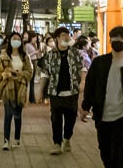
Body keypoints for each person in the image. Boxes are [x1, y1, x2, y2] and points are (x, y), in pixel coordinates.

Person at [80, 26, 123, 168]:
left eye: (122, 38)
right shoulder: (99, 63)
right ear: (110, 40)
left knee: (117, 153)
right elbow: (90, 86)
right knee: (104, 152)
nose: (119, 40)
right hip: (102, 115)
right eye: (115, 37)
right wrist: (85, 107)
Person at [43, 26, 86, 154]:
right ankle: (57, 143)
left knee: (71, 118)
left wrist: (82, 81)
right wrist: (39, 89)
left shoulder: (75, 53)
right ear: (57, 38)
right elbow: (45, 73)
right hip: (55, 92)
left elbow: (82, 68)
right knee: (55, 119)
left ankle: (67, 138)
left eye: (67, 35)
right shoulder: (50, 55)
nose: (66, 37)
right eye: (63, 35)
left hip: (72, 92)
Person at [0, 31, 33, 151]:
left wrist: (18, 73)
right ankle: (6, 141)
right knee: (8, 114)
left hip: (21, 88)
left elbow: (29, 73)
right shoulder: (3, 56)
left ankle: (17, 139)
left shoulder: (25, 57)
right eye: (14, 38)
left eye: (18, 39)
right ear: (9, 40)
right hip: (8, 87)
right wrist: (5, 74)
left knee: (18, 114)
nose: (16, 41)